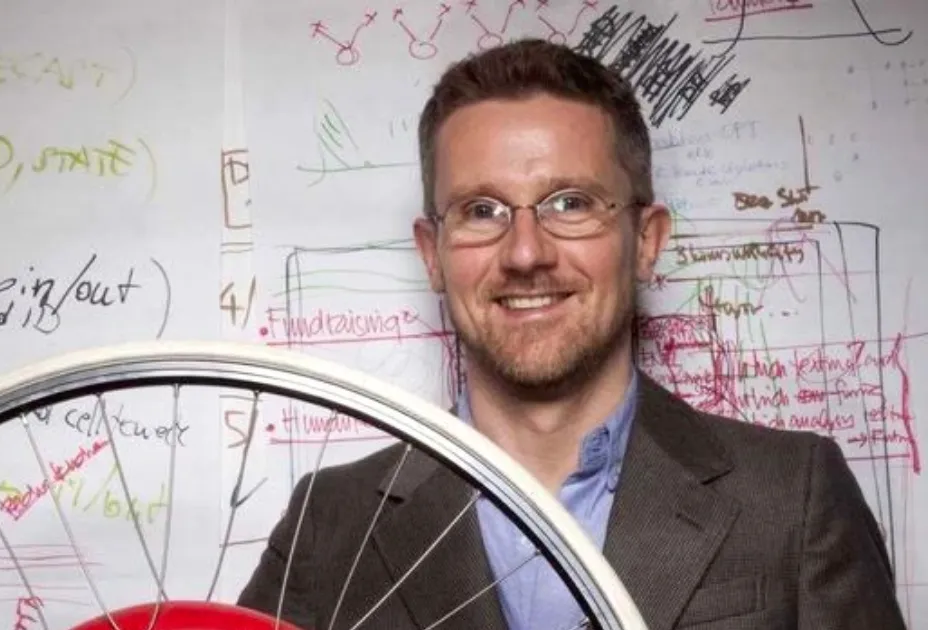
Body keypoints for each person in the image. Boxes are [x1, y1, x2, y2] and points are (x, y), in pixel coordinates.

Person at [237, 38, 905, 630]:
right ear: (432, 254)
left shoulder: (792, 496)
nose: (526, 253)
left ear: (646, 240)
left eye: (572, 204)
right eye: (480, 210)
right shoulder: (332, 523)